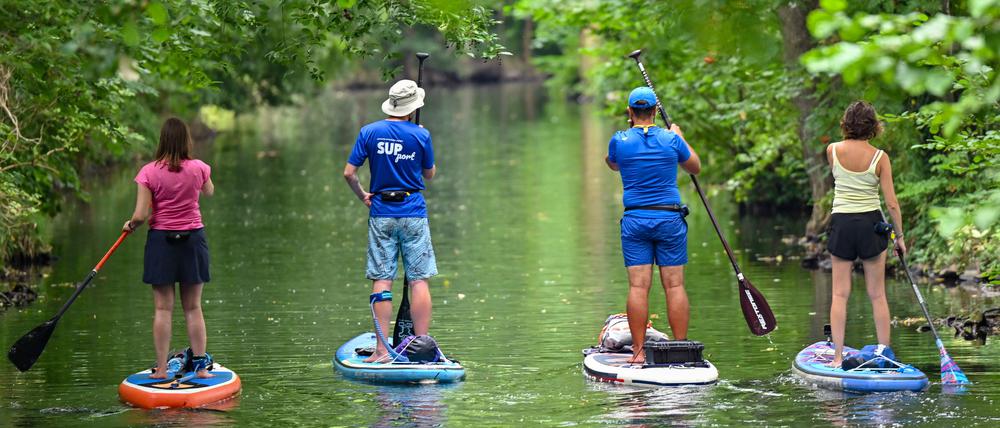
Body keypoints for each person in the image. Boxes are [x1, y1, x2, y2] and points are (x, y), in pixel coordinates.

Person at [605, 87, 702, 364]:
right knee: (674, 285)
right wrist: (680, 137)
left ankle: (637, 353)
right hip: (669, 219)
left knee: (638, 287)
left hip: (636, 220)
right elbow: (694, 167)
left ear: (629, 112)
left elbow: (612, 164)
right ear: (656, 112)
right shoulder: (671, 139)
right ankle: (681, 349)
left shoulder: (619, 141)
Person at [343, 79, 437, 363]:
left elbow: (349, 173)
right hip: (413, 213)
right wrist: (417, 141)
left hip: (381, 212)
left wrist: (363, 196)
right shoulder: (421, 135)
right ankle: (422, 349)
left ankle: (382, 350)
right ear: (413, 107)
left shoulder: (369, 132)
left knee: (382, 280)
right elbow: (429, 174)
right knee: (418, 280)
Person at [123, 117, 215, 379]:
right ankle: (201, 369)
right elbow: (209, 191)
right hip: (193, 241)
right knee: (193, 307)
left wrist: (130, 224)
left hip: (161, 242)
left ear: (161, 140)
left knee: (163, 309)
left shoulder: (148, 172)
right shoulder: (199, 168)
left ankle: (162, 369)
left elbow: (140, 215)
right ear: (187, 141)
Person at [826, 100, 905, 367]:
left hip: (842, 224)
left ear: (846, 124)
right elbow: (891, 203)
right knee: (877, 294)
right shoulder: (880, 157)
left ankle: (837, 358)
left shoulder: (832, 150)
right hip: (871, 224)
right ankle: (884, 356)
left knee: (839, 294)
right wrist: (900, 237)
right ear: (873, 126)